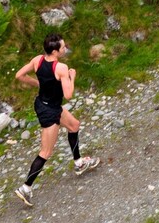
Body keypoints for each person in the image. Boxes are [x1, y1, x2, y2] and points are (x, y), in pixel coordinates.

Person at [13, 33, 99, 206]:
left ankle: (79, 163)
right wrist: (72, 76)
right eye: (63, 47)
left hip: (45, 104)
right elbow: (68, 95)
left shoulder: (37, 60)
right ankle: (25, 187)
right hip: (50, 112)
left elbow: (19, 75)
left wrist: (39, 84)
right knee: (45, 152)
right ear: (55, 51)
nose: (65, 49)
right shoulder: (61, 68)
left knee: (74, 125)